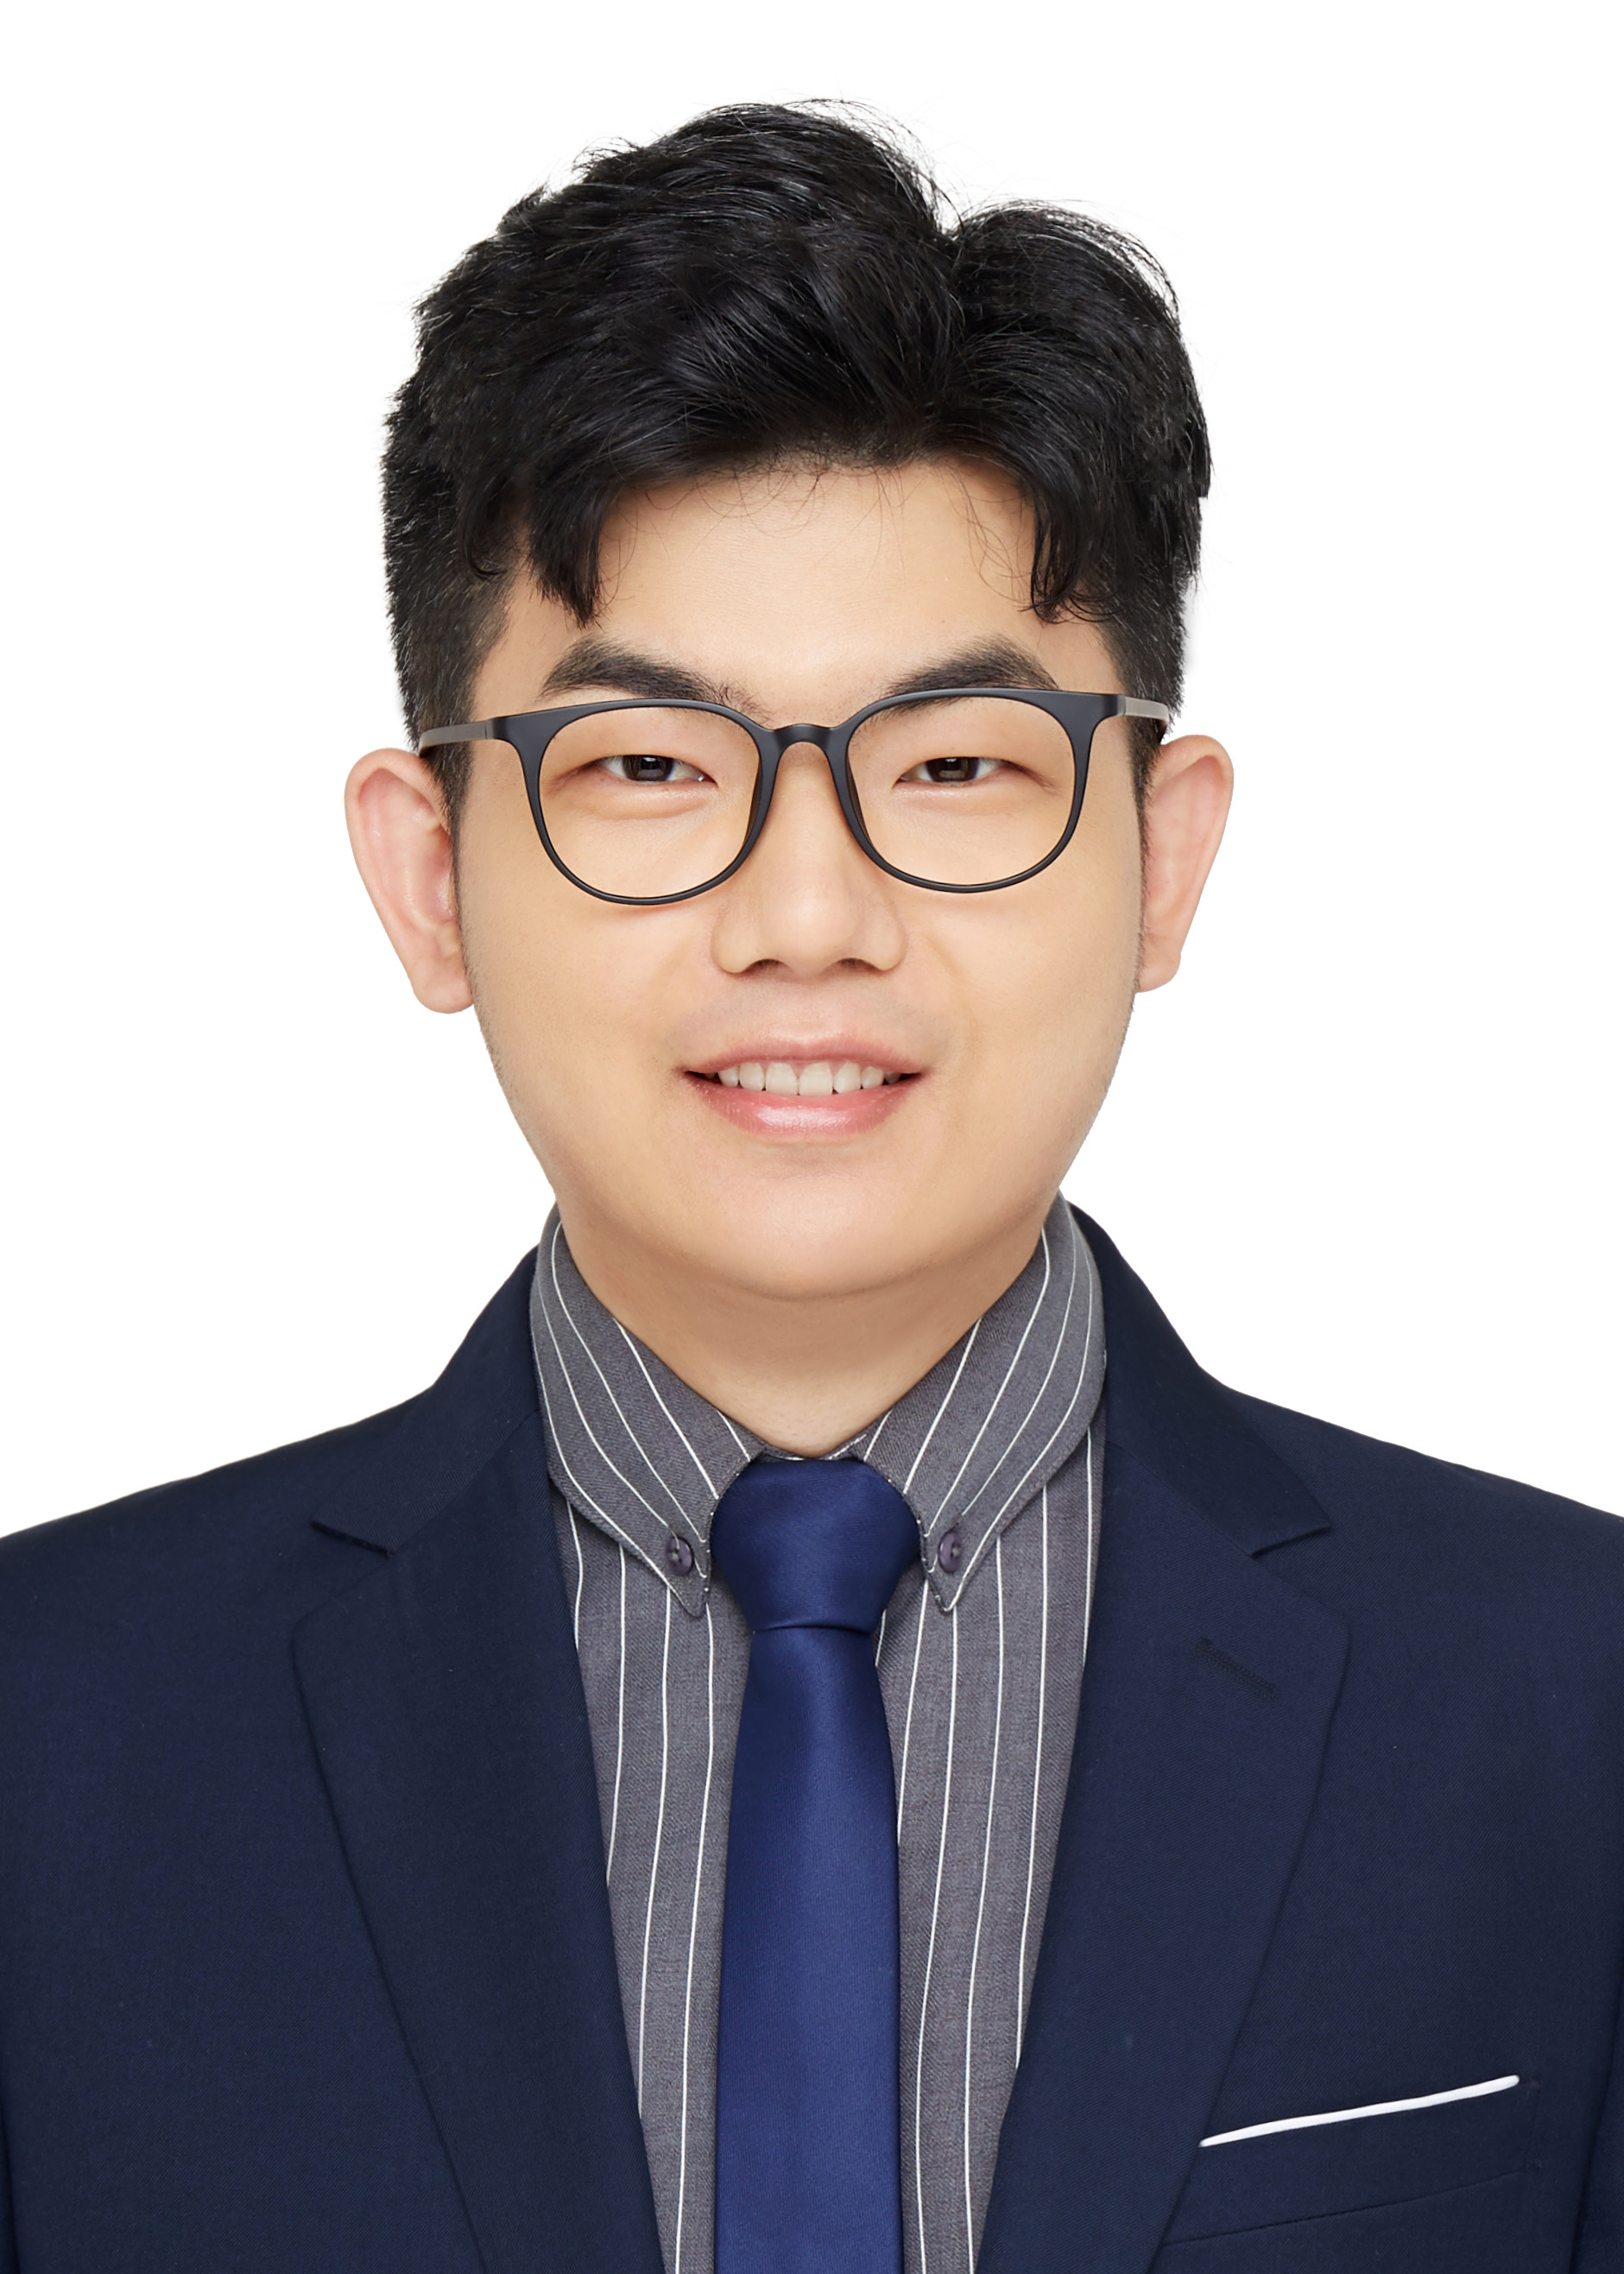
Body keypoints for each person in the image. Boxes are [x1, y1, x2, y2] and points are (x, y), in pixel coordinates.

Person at [0, 101, 1618, 2274]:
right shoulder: (49, 1733)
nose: (804, 916)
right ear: (428, 877)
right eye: (646, 767)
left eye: (950, 764)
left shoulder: (1569, 1701)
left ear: (1161, 858)